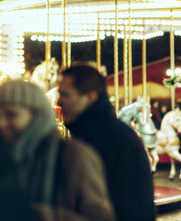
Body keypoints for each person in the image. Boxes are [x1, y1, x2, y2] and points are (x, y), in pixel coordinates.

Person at [0, 80, 114, 221]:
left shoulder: (73, 155)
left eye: (11, 115)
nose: (0, 123)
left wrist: (40, 215)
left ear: (36, 116)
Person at [58, 65, 155, 221]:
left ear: (90, 97)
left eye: (65, 95)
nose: (59, 102)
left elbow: (129, 202)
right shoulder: (90, 133)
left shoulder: (111, 139)